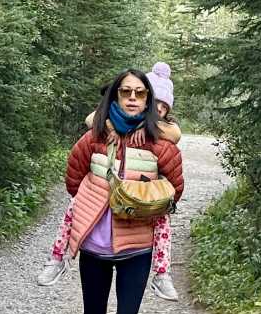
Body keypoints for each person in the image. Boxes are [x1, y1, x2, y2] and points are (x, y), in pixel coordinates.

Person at [61, 67, 184, 314]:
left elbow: (175, 191)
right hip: (96, 250)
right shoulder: (93, 140)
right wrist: (98, 202)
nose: (132, 98)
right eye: (125, 92)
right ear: (113, 97)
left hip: (136, 250)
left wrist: (145, 196)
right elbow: (73, 179)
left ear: (149, 101)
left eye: (139, 93)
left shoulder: (160, 146)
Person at [39, 62, 181, 299]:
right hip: (97, 229)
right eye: (127, 92)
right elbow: (74, 173)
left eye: (162, 107)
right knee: (75, 206)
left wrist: (148, 130)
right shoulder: (100, 130)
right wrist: (89, 196)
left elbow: (175, 186)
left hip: (139, 219)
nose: (158, 110)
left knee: (162, 219)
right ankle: (56, 258)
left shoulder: (162, 136)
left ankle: (162, 273)